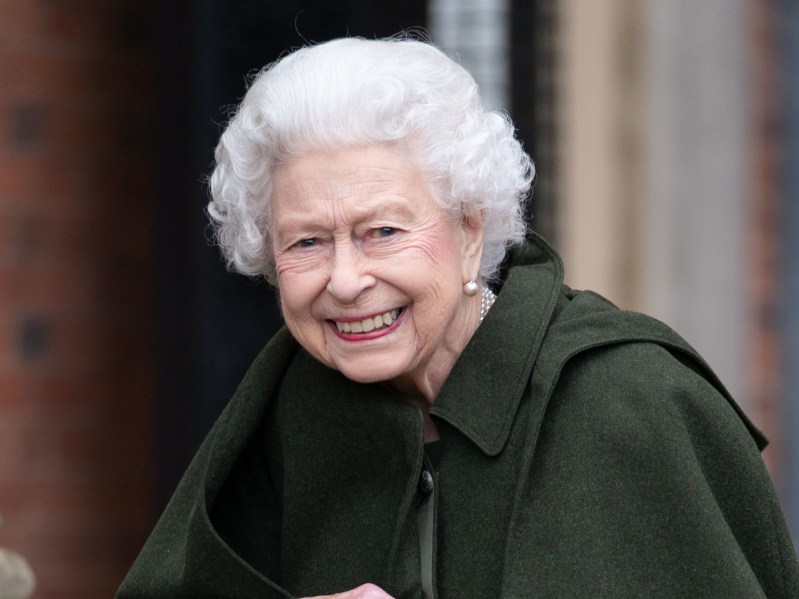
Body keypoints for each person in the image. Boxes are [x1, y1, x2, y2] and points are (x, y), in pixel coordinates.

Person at [117, 36, 799, 598]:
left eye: (382, 231)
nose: (346, 280)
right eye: (307, 242)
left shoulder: (627, 400)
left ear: (470, 228)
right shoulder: (290, 414)